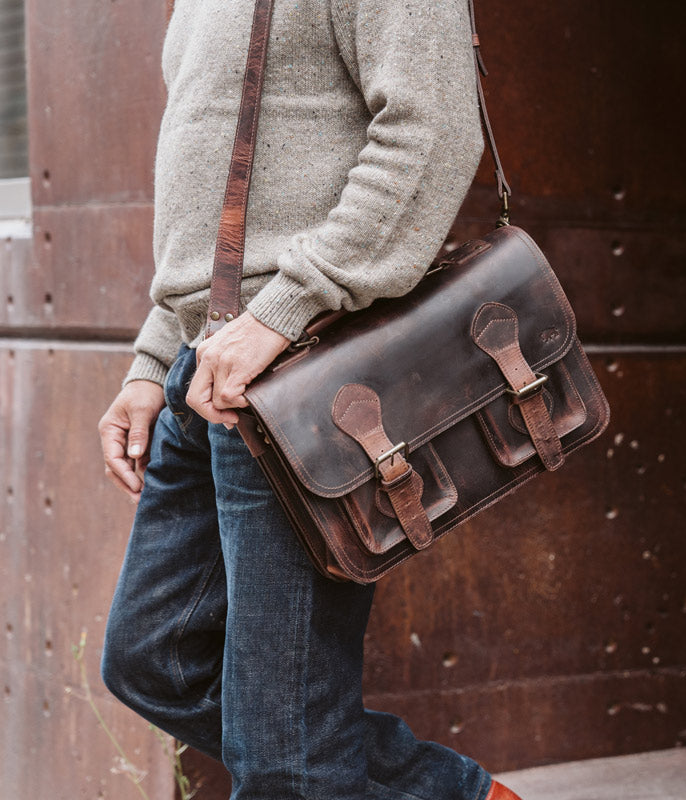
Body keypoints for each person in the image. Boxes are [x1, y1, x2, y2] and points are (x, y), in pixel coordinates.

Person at [96, 2, 523, 798]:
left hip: (298, 374)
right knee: (156, 661)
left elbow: (431, 135)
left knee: (286, 759)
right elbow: (217, 203)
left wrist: (284, 313)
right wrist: (153, 366)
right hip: (209, 371)